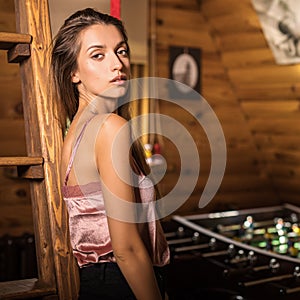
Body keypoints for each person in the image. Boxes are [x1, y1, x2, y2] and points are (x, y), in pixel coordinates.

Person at [50, 7, 170, 300]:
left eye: (121, 51)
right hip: (122, 284)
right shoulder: (110, 127)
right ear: (73, 72)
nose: (118, 64)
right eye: (98, 55)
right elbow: (126, 250)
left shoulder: (74, 133)